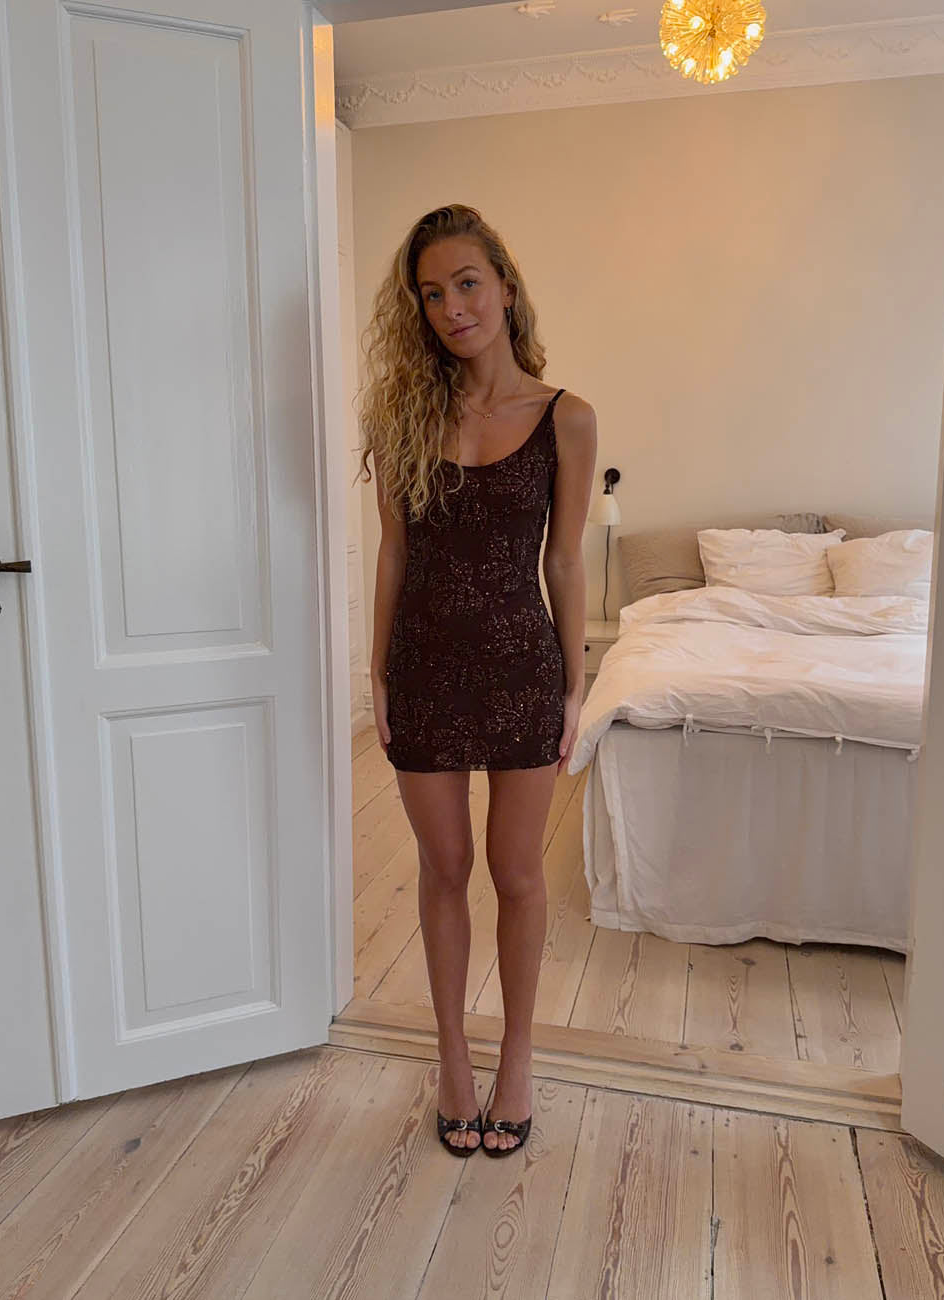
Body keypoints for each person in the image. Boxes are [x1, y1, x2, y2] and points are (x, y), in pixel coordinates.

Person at [356, 203, 597, 1156]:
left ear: (503, 285)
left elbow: (564, 563)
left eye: (465, 284)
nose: (451, 307)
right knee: (444, 868)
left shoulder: (566, 417)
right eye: (430, 294)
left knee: (518, 873)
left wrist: (573, 685)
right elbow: (393, 554)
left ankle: (518, 1058)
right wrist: (377, 671)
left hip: (519, 670)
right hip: (423, 669)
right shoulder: (401, 417)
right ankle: (452, 1055)